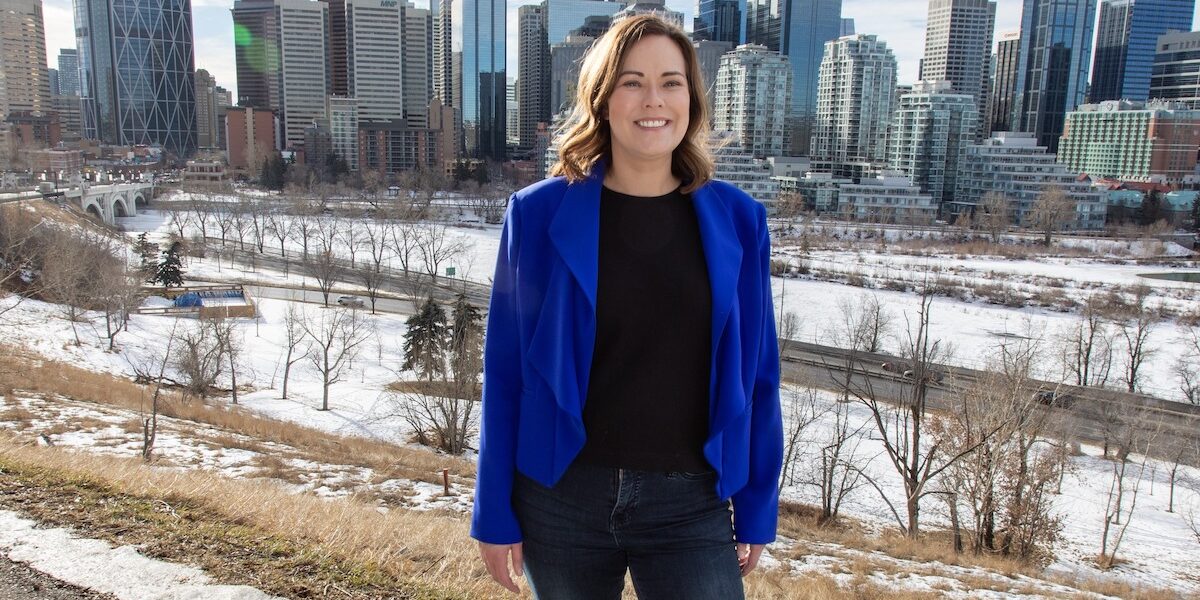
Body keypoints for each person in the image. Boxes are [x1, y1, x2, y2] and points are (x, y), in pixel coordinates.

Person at [470, 14, 783, 599]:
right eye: (632, 81)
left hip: (691, 502)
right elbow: (506, 372)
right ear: (603, 97)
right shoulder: (536, 215)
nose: (653, 100)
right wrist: (493, 513)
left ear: (691, 98)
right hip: (560, 497)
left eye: (671, 81)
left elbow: (760, 375)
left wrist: (758, 502)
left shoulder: (741, 222)